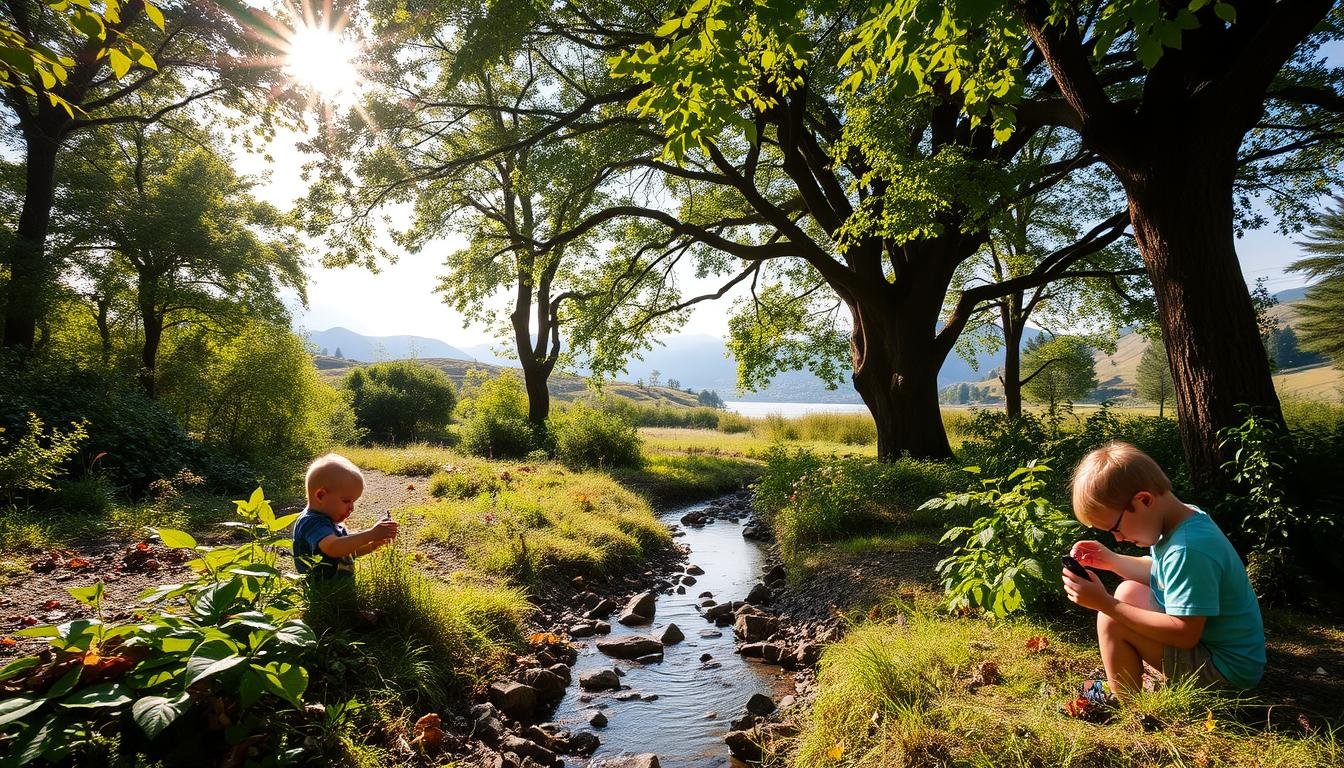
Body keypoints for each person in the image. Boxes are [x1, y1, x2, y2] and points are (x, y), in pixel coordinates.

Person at [1062, 441, 1265, 704]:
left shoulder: (1188, 549)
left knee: (1111, 619)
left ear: (1144, 500)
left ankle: (1123, 704)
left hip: (1225, 674)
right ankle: (1127, 681)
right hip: (1216, 655)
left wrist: (1104, 603)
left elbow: (1184, 633)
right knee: (1127, 590)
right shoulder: (1183, 520)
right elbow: (1161, 573)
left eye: (1116, 528)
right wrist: (1111, 560)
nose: (1119, 538)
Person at [292, 453, 399, 579]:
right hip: (324, 594)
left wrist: (372, 544)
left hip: (336, 590)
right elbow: (333, 547)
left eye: (353, 501)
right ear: (321, 495)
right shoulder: (312, 522)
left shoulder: (327, 521)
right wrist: (370, 534)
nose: (352, 508)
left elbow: (346, 550)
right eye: (346, 501)